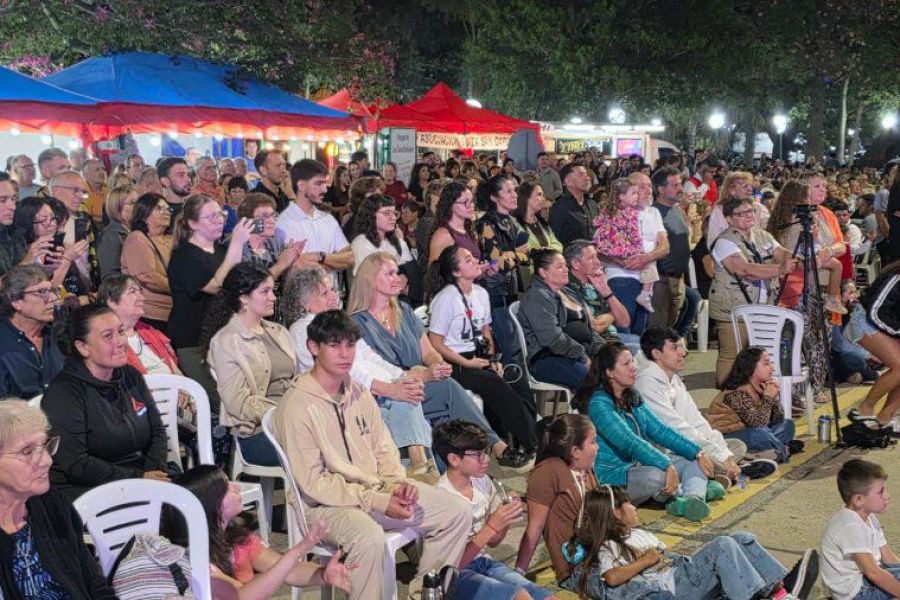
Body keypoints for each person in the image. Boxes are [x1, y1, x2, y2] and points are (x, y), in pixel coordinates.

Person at [270, 309, 472, 599]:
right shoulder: (297, 406)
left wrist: (396, 486)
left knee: (457, 511)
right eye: (334, 345)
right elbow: (313, 483)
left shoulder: (358, 392)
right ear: (314, 348)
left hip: (375, 492)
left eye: (350, 345)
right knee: (370, 540)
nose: (345, 354)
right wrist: (377, 499)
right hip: (322, 507)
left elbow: (384, 449)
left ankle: (424, 595)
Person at [348, 252, 528, 468]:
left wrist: (437, 364)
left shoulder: (403, 311)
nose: (398, 278)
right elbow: (377, 371)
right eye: (390, 274)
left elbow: (429, 351)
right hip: (390, 392)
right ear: (371, 280)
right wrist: (424, 374)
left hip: (421, 380)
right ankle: (494, 446)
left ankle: (453, 471)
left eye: (397, 272)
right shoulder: (357, 324)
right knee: (449, 390)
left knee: (446, 402)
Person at [284, 266, 436, 483]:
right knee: (405, 401)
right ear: (304, 302)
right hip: (336, 401)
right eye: (324, 293)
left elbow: (371, 358)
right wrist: (391, 388)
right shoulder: (303, 329)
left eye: (333, 290)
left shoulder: (338, 321)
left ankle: (412, 471)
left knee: (408, 394)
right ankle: (418, 470)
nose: (333, 297)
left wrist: (401, 376)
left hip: (367, 392)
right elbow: (346, 370)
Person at [569, 485, 816, 600]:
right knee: (722, 546)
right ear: (617, 513)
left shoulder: (637, 532)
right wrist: (644, 560)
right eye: (629, 504)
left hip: (681, 572)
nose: (634, 507)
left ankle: (780, 589)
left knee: (741, 538)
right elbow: (611, 578)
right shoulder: (611, 544)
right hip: (674, 587)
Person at [162, 465, 352, 599]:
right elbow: (242, 596)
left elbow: (288, 571)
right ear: (211, 504)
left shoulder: (238, 540)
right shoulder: (192, 560)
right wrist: (298, 550)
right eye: (226, 487)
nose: (236, 487)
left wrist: (323, 574)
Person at [574, 341, 719, 517]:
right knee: (657, 476)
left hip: (639, 466)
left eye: (633, 362)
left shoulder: (630, 396)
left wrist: (697, 452)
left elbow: (660, 430)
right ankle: (689, 488)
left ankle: (692, 499)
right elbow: (629, 442)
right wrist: (666, 465)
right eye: (626, 364)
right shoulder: (598, 404)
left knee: (693, 460)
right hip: (616, 477)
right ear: (609, 372)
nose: (633, 368)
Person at [42, 304, 169, 502]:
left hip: (138, 476)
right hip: (88, 489)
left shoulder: (130, 375)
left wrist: (155, 472)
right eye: (107, 336)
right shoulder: (63, 394)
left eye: (120, 332)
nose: (120, 342)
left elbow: (157, 432)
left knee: (205, 489)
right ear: (83, 347)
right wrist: (138, 480)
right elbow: (76, 463)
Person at [0, 400, 118, 599]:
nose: (47, 461)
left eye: (45, 446)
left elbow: (95, 586)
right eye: (27, 452)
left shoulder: (52, 504)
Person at [429, 245, 539, 457]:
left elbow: (485, 331)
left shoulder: (480, 294)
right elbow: (435, 342)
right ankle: (532, 443)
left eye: (473, 257)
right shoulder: (447, 298)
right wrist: (467, 362)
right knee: (494, 384)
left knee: (515, 376)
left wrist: (492, 359)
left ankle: (521, 436)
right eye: (468, 260)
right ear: (456, 272)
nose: (475, 261)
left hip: (477, 357)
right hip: (453, 362)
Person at [634, 327, 779, 485]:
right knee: (701, 457)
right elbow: (675, 428)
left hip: (689, 444)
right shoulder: (647, 383)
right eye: (675, 348)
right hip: (667, 451)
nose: (683, 353)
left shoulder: (674, 380)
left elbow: (697, 421)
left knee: (736, 446)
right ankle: (732, 471)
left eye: (682, 346)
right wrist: (713, 452)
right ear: (656, 354)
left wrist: (723, 453)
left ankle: (725, 470)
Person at [433, 421, 558, 600]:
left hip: (483, 561)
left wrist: (505, 516)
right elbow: (452, 566)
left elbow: (493, 542)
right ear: (454, 459)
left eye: (486, 452)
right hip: (452, 576)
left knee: (543, 595)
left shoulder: (481, 482)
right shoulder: (442, 499)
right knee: (520, 596)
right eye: (478, 455)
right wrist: (492, 525)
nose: (486, 460)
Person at [203, 264, 297, 467]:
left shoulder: (279, 332)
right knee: (323, 448)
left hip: (296, 422)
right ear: (243, 297)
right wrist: (284, 413)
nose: (273, 297)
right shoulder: (227, 341)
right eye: (265, 291)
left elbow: (295, 381)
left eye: (273, 290)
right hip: (258, 432)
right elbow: (238, 403)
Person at [168, 193, 253, 413]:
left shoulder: (222, 251)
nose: (219, 220)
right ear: (192, 223)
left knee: (238, 397)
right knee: (219, 402)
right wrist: (236, 244)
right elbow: (215, 285)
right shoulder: (185, 255)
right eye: (210, 217)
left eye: (221, 215)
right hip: (193, 342)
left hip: (222, 339)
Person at [768, 178, 846, 401]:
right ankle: (808, 389)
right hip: (801, 288)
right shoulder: (795, 221)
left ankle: (813, 386)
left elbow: (841, 245)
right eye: (815, 187)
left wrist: (828, 251)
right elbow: (796, 255)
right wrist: (812, 242)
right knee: (811, 339)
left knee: (818, 339)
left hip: (814, 285)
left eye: (824, 186)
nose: (822, 190)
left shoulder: (824, 215)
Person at [710, 196, 797, 386]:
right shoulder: (724, 241)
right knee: (732, 354)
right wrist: (780, 269)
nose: (747, 216)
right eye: (740, 214)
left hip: (761, 305)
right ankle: (726, 397)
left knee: (758, 356)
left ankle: (755, 396)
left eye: (750, 211)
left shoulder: (761, 235)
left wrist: (794, 256)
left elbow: (780, 252)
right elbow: (744, 270)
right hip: (733, 306)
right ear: (729, 219)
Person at [516, 414, 599, 586]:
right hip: (576, 568)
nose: (597, 447)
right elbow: (535, 528)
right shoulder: (548, 472)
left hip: (600, 554)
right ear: (575, 451)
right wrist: (518, 573)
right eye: (593, 442)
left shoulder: (585, 469)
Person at [518, 248, 604, 392]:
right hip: (548, 357)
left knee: (617, 369)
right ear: (543, 272)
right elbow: (551, 338)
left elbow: (589, 329)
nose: (565, 270)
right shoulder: (537, 296)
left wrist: (604, 352)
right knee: (592, 380)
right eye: (559, 267)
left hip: (576, 352)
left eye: (565, 265)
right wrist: (583, 357)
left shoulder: (567, 292)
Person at [595, 177, 669, 336]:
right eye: (640, 188)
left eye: (649, 186)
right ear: (622, 194)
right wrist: (621, 261)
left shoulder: (653, 212)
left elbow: (665, 246)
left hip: (645, 278)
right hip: (622, 276)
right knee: (624, 326)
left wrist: (646, 258)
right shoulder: (614, 213)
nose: (648, 190)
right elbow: (598, 247)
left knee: (639, 329)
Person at [708, 347, 805, 463]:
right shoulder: (735, 393)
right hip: (729, 437)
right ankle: (783, 451)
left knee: (787, 424)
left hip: (753, 431)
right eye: (766, 364)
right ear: (751, 368)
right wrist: (768, 397)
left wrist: (774, 398)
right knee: (761, 434)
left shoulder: (761, 386)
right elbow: (758, 422)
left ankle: (769, 450)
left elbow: (777, 420)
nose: (772, 368)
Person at [822, 459, 900, 600]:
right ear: (858, 500)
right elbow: (873, 573)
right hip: (856, 592)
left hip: (867, 579)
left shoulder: (868, 516)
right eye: (880, 492)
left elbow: (888, 557)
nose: (887, 496)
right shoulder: (850, 526)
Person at [276, 159, 354, 293]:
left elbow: (350, 258)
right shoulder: (283, 224)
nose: (324, 189)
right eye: (318, 184)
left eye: (325, 183)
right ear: (301, 185)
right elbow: (294, 267)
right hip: (300, 308)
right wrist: (334, 263)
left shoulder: (328, 219)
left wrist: (320, 257)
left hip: (332, 305)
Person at [475, 175, 531, 360]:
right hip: (493, 292)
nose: (515, 195)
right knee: (507, 348)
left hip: (511, 289)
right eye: (508, 191)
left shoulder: (512, 221)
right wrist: (516, 254)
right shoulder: (486, 223)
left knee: (515, 343)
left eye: (514, 190)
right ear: (494, 197)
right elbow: (497, 263)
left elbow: (526, 256)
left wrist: (512, 255)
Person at [845, 263, 900, 425]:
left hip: (889, 326)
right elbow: (875, 311)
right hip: (865, 321)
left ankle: (885, 417)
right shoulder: (896, 277)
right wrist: (897, 333)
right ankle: (864, 408)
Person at [98, 274, 180, 380]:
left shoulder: (152, 333)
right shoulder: (107, 342)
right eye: (132, 292)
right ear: (112, 302)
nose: (142, 298)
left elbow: (177, 374)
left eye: (140, 291)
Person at [0, 266, 64, 399]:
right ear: (17, 302)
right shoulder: (3, 345)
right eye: (42, 292)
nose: (52, 298)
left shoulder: (59, 336)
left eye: (52, 291)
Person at [562, 240, 636, 347]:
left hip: (613, 337)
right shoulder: (567, 287)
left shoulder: (596, 281)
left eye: (596, 257)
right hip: (594, 344)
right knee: (640, 351)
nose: (598, 262)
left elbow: (624, 322)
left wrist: (607, 292)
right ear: (576, 264)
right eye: (591, 258)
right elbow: (593, 327)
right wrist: (612, 315)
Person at [120, 192, 174, 331]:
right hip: (151, 316)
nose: (166, 212)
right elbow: (148, 277)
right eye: (159, 208)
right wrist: (181, 288)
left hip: (173, 313)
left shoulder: (171, 239)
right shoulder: (138, 238)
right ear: (144, 215)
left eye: (168, 209)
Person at [649, 167, 692, 328]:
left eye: (680, 184)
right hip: (661, 280)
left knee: (670, 325)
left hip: (678, 279)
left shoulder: (677, 210)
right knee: (658, 329)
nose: (680, 189)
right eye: (675, 185)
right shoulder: (653, 213)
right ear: (660, 189)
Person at [549, 163, 600, 247]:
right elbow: (555, 241)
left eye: (587, 175)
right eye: (581, 175)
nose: (587, 178)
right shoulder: (559, 208)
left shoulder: (593, 205)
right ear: (568, 181)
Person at [97, 183, 137, 279]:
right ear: (117, 207)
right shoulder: (110, 236)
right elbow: (110, 276)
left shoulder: (133, 231)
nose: (138, 206)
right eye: (132, 203)